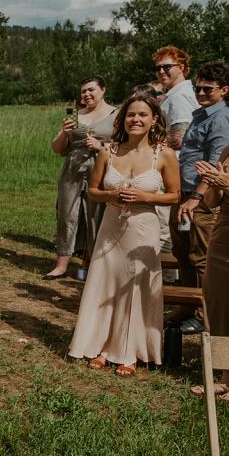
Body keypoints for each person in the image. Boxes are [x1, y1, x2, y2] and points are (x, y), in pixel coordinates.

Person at [68, 94, 180, 374]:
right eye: (131, 115)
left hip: (143, 227)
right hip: (111, 225)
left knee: (136, 285)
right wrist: (111, 194)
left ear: (154, 119)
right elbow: (93, 191)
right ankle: (102, 346)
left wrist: (145, 196)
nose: (136, 120)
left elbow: (175, 195)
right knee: (106, 282)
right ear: (123, 119)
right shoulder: (109, 150)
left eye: (143, 115)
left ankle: (131, 351)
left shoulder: (163, 154)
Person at [171, 61, 229, 333]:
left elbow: (214, 164)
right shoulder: (201, 114)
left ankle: (203, 314)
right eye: (197, 87)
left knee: (200, 257)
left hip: (200, 199)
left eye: (207, 89)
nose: (200, 93)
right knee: (182, 253)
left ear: (223, 90)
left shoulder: (221, 118)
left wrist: (196, 198)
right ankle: (188, 304)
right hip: (184, 193)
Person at [191, 105, 229, 399]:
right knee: (221, 307)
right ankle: (227, 374)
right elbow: (212, 202)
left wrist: (228, 184)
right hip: (223, 238)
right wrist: (215, 183)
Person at [45, 76, 117, 279]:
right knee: (66, 213)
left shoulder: (116, 114)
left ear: (103, 90)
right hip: (73, 169)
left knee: (96, 215)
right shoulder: (76, 115)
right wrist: (64, 134)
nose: (86, 94)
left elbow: (125, 146)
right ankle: (61, 265)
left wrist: (102, 146)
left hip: (100, 168)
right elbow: (58, 149)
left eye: (91, 90)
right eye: (83, 91)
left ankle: (95, 265)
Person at [155, 46, 197, 149]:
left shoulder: (179, 96)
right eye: (157, 68)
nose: (161, 71)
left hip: (178, 160)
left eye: (166, 67)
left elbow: (179, 139)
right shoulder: (177, 93)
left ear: (181, 68)